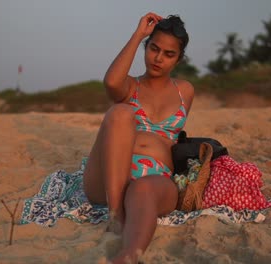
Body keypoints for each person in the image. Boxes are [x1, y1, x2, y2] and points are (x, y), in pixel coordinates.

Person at [83, 12, 194, 263]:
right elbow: (111, 82)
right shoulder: (129, 87)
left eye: (168, 54)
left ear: (178, 59)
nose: (158, 58)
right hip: (110, 180)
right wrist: (138, 35)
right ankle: (115, 216)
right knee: (121, 112)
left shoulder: (184, 91)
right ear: (146, 47)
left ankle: (129, 254)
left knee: (142, 189)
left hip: (155, 180)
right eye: (153, 48)